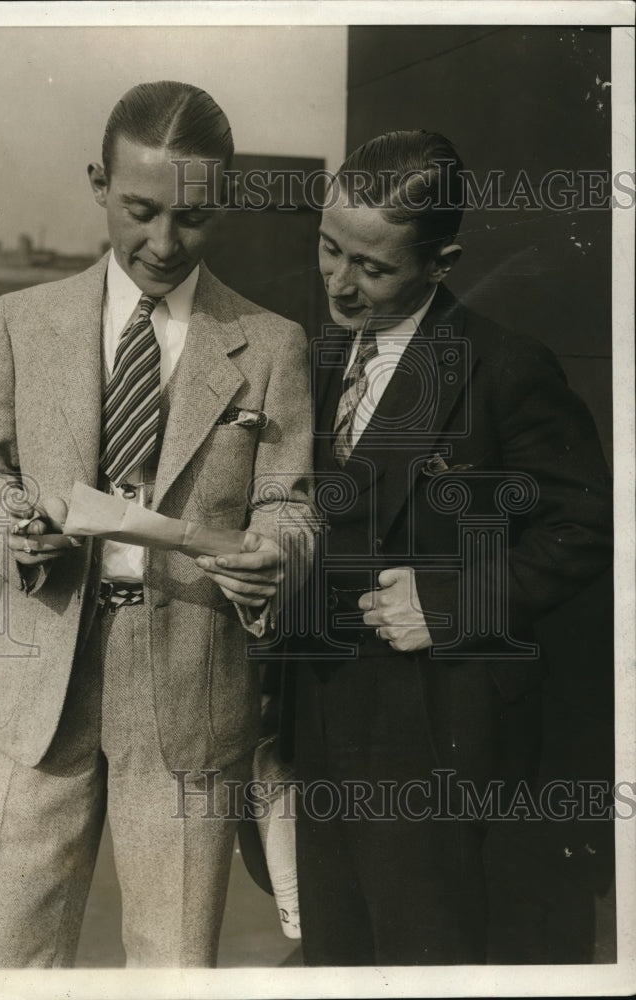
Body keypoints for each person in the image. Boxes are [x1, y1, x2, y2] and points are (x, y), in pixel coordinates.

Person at [0, 80, 313, 968]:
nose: (163, 243)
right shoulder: (20, 322)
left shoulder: (270, 344)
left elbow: (289, 506)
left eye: (192, 220)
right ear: (98, 183)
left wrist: (278, 551)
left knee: (172, 966)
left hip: (191, 697)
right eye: (140, 210)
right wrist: (14, 532)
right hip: (36, 698)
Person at [287, 130, 613, 965]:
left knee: (424, 957)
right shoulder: (318, 357)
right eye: (330, 250)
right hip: (319, 717)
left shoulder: (508, 368)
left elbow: (587, 528)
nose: (341, 283)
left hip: (436, 732)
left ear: (443, 261)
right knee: (336, 957)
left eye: (373, 268)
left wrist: (448, 601)